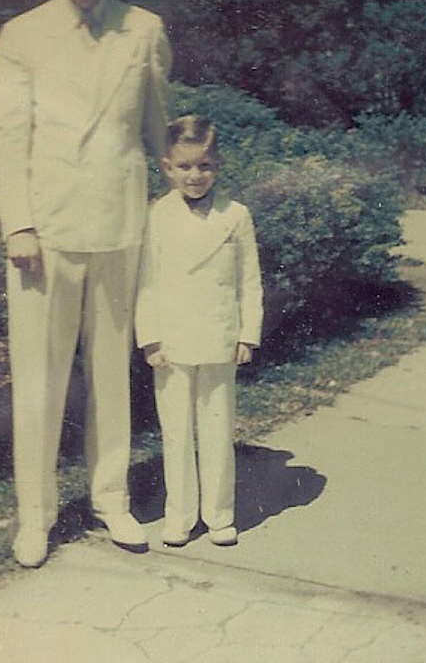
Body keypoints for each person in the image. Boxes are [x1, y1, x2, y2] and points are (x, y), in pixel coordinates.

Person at [0, 0, 171, 567]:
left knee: (110, 374)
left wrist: (185, 212)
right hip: (46, 233)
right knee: (38, 378)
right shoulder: (21, 36)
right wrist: (21, 226)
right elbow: (8, 140)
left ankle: (111, 500)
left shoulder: (143, 30)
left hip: (121, 224)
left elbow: (157, 130)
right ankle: (34, 516)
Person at [135, 115, 263, 547]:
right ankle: (180, 514)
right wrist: (150, 337)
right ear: (168, 167)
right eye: (185, 167)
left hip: (219, 335)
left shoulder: (236, 216)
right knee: (175, 431)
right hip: (171, 339)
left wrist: (248, 334)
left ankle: (219, 514)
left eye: (204, 166)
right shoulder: (155, 216)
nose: (195, 176)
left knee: (216, 428)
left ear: (218, 165)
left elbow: (250, 281)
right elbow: (146, 281)